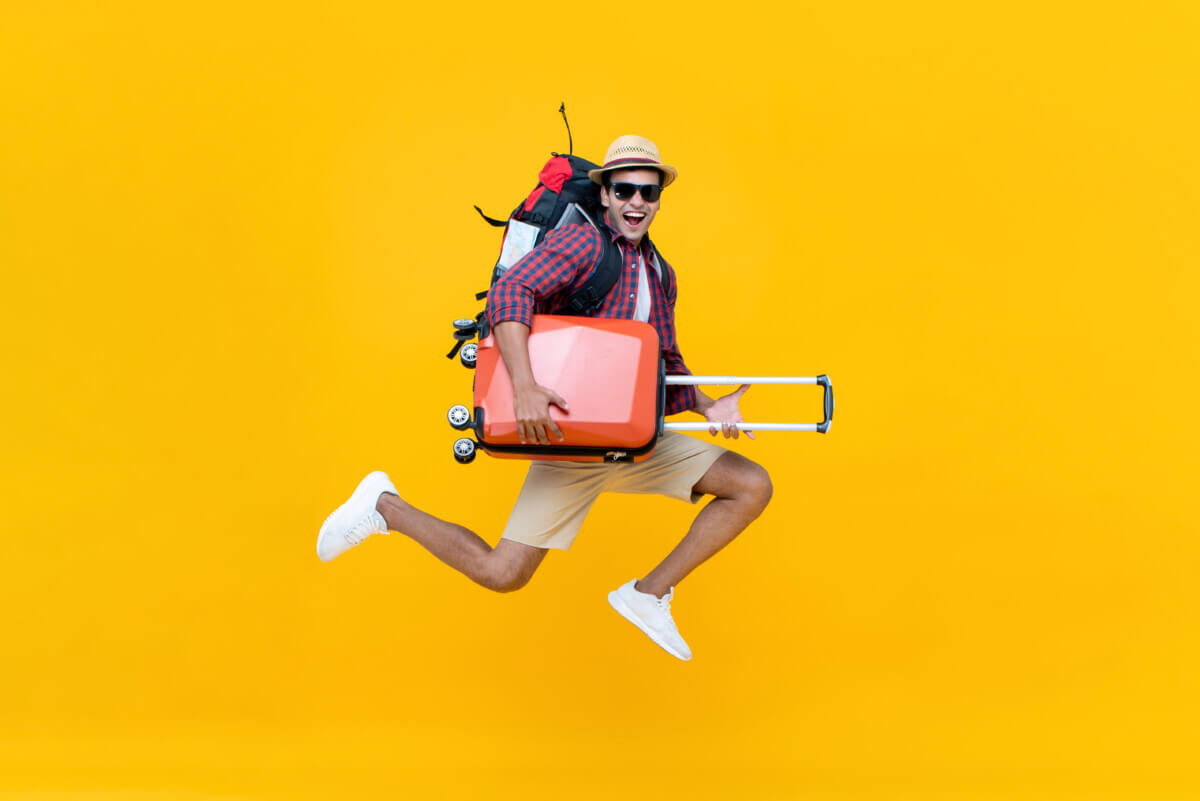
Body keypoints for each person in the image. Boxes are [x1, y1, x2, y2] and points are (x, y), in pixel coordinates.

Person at [316, 135, 773, 661]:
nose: (636, 202)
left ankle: (647, 595)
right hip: (569, 441)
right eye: (625, 190)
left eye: (648, 193)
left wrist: (709, 406)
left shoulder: (659, 272)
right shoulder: (584, 243)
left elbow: (664, 362)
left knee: (750, 484)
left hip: (632, 441)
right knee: (502, 573)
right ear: (605, 194)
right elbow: (511, 292)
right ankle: (384, 505)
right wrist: (525, 386)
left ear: (658, 200)